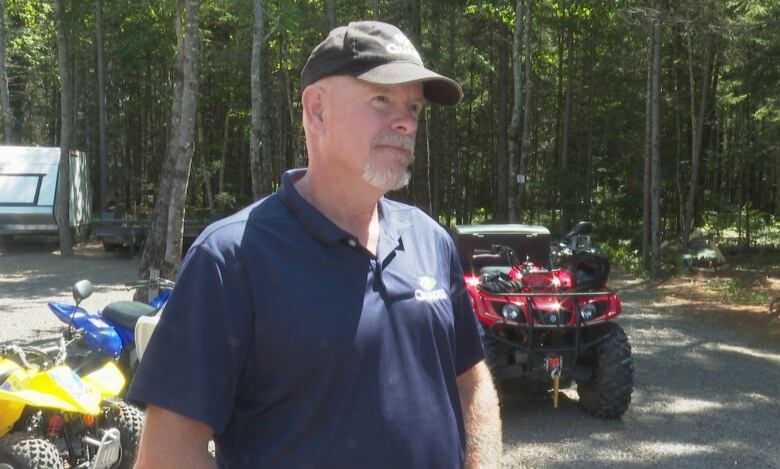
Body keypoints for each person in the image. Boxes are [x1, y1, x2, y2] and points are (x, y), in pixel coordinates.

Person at [129, 20, 501, 469]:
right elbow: (168, 454)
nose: (404, 121)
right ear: (316, 110)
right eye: (381, 99)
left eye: (415, 108)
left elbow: (471, 381)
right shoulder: (231, 258)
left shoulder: (431, 240)